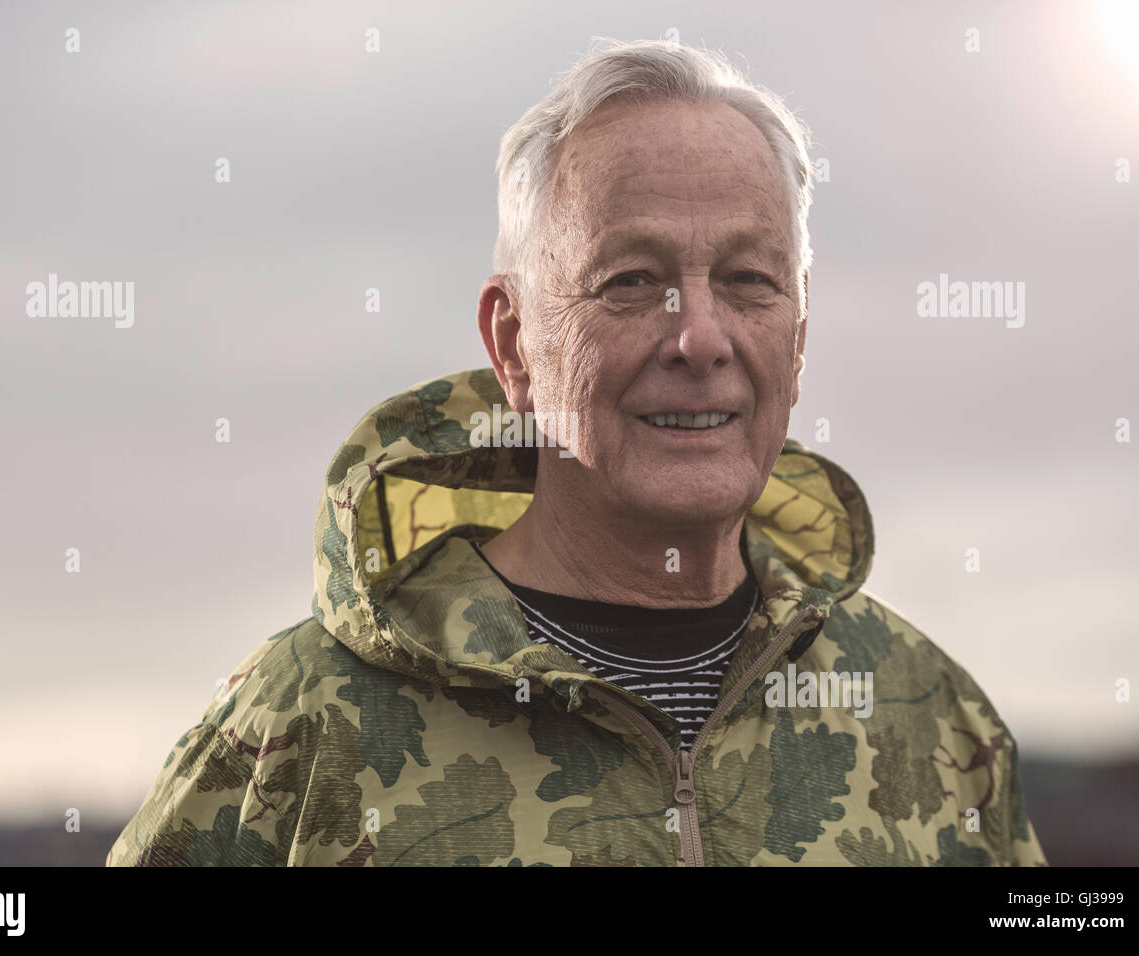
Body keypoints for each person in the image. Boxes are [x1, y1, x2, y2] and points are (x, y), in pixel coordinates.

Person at [107, 37, 1046, 867]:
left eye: (749, 281)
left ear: (797, 343)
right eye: (632, 281)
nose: (701, 339)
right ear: (514, 344)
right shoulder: (302, 729)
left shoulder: (931, 716)